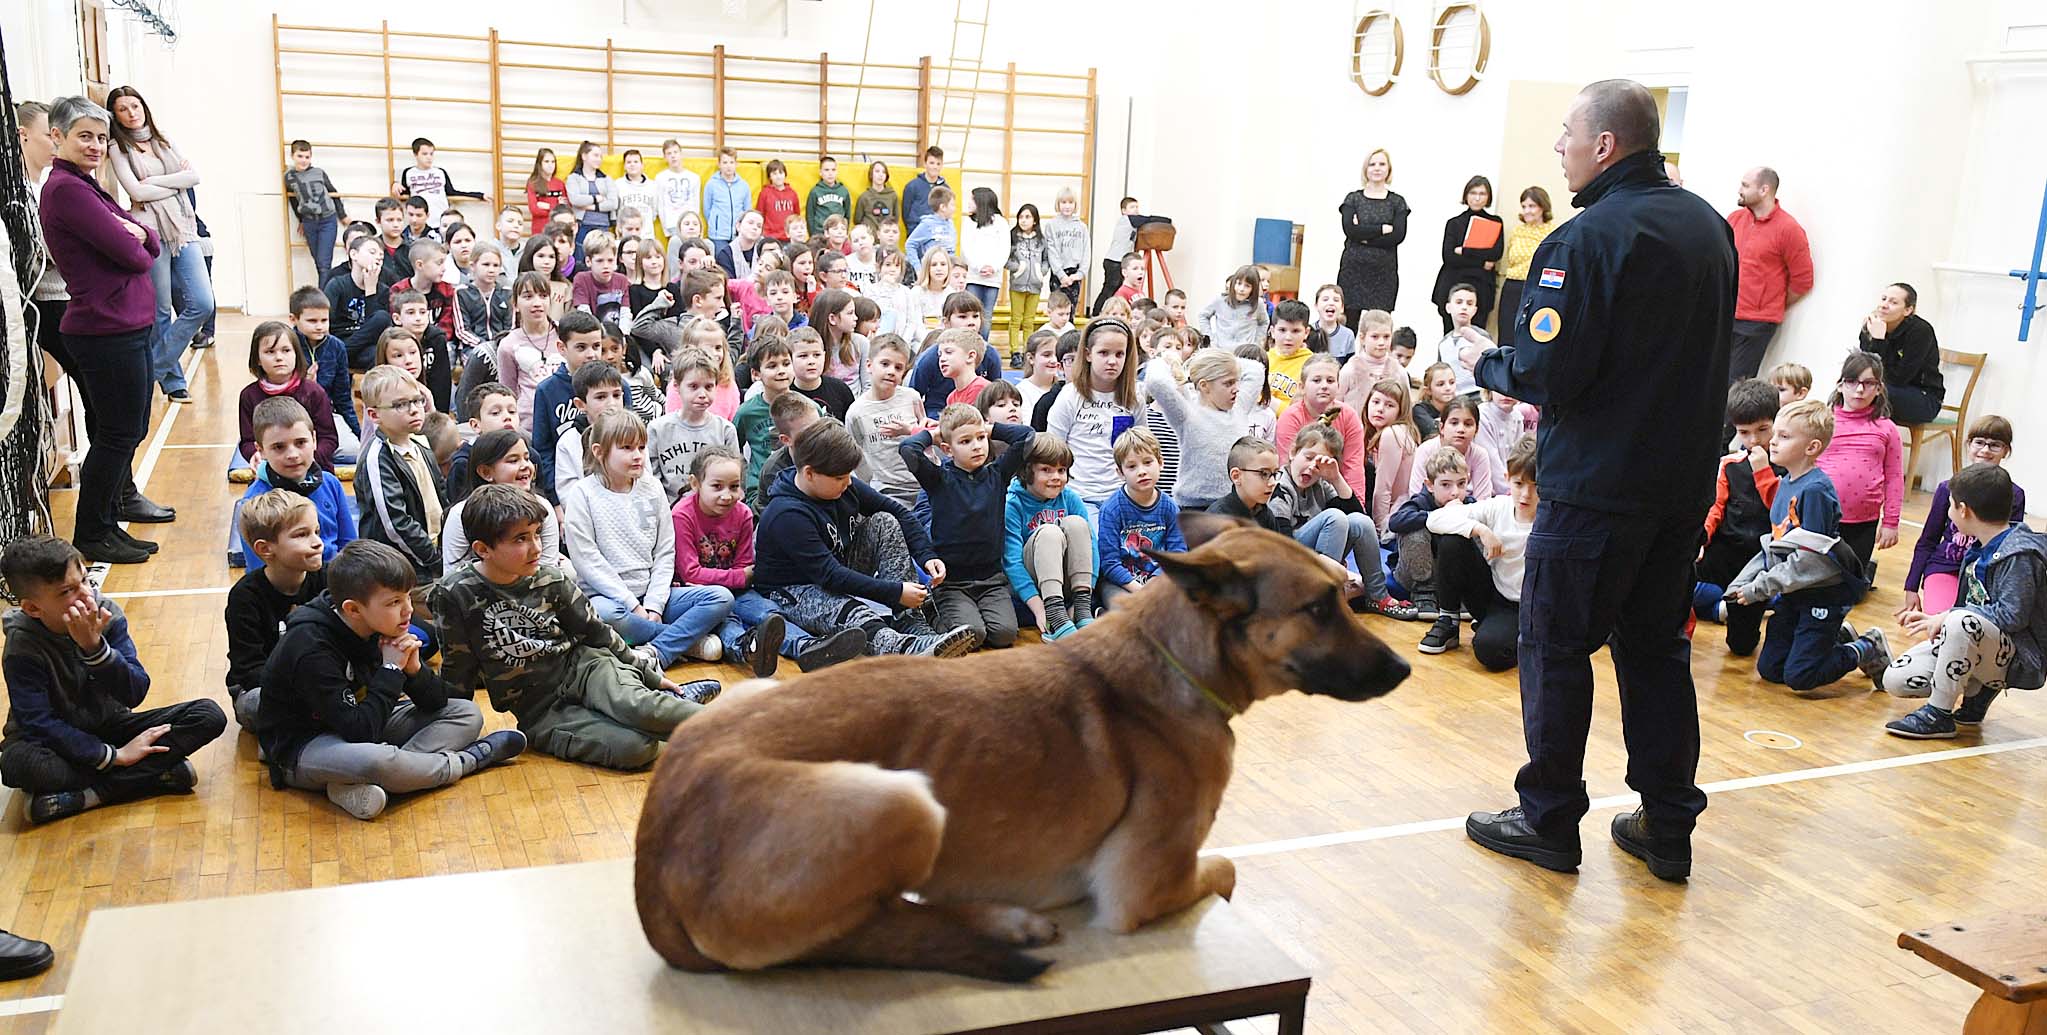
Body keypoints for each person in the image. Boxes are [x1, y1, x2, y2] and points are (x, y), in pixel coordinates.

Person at [1461, 79, 1737, 884]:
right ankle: (1665, 823)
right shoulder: (1708, 226)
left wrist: (1483, 359)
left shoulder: (1580, 241)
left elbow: (1550, 371)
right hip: (1679, 485)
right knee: (1655, 651)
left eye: (1566, 135)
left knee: (1553, 646)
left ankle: (1547, 819)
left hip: (1594, 488)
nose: (1558, 148)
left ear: (1605, 145)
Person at [438, 486, 720, 770]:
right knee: (636, 749)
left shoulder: (551, 579)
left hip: (585, 667)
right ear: (483, 549)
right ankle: (671, 708)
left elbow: (597, 632)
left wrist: (649, 675)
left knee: (636, 706)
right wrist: (451, 729)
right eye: (521, 539)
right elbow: (457, 669)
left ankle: (744, 730)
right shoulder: (455, 593)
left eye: (537, 533)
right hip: (540, 710)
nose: (537, 547)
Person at [258, 539, 521, 821]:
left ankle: (377, 779)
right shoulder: (310, 648)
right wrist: (391, 670)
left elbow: (437, 703)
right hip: (304, 745)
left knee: (466, 712)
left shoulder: (381, 620)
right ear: (353, 609)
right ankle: (467, 761)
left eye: (408, 596)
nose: (408, 610)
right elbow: (360, 733)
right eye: (395, 601)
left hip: (366, 720)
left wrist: (414, 670)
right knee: (376, 759)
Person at [0, 535, 224, 824]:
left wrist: (95, 649)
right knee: (17, 764)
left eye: (85, 580)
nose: (86, 595)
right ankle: (152, 776)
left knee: (208, 715)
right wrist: (114, 756)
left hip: (111, 725)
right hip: (53, 742)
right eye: (68, 590)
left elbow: (135, 692)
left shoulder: (106, 612)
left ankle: (90, 795)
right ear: (32, 608)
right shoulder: (22, 644)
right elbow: (39, 723)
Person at [36, 95, 172, 564]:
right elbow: (135, 251)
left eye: (101, 137)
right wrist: (138, 237)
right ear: (57, 137)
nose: (95, 145)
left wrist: (140, 235)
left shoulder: (85, 185)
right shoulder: (67, 190)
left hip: (122, 325)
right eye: (84, 136)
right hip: (104, 329)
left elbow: (145, 234)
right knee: (118, 433)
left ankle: (109, 519)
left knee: (126, 429)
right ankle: (93, 531)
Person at [752, 421, 976, 658]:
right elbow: (830, 576)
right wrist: (895, 591)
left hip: (836, 569)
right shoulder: (787, 514)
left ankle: (909, 619)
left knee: (884, 521)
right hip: (793, 591)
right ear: (809, 473)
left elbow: (897, 512)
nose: (848, 482)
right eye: (840, 477)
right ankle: (901, 647)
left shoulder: (840, 483)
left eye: (849, 475)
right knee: (853, 612)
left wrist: (926, 555)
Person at [1724, 399, 1888, 694]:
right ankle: (1834, 638)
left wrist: (1758, 588)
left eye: (1784, 437)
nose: (1773, 443)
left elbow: (1811, 562)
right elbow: (1774, 544)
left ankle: (1865, 647)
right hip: (1794, 594)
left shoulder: (1815, 491)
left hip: (1822, 595)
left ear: (1811, 447)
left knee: (1800, 678)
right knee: (1771, 670)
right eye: (1776, 435)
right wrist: (1743, 581)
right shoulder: (1786, 482)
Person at [1879, 463, 2045, 739]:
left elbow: (2013, 616)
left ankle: (1938, 714)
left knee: (1959, 621)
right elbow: (1973, 606)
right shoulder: (1978, 547)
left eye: (1951, 505)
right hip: (1983, 645)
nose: (1949, 511)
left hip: (2017, 659)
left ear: (1964, 510)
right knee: (1896, 679)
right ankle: (1978, 690)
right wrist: (1939, 617)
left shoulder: (2019, 555)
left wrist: (1950, 616)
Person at [563, 410, 734, 668]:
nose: (637, 455)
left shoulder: (652, 487)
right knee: (603, 615)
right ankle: (689, 644)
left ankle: (656, 650)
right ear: (599, 452)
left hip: (655, 597)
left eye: (642, 447)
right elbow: (588, 561)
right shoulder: (582, 494)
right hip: (611, 601)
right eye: (627, 447)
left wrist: (654, 605)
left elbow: (665, 551)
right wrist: (633, 606)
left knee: (721, 598)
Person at [901, 406, 1037, 649]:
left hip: (991, 580)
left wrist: (986, 427)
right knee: (973, 635)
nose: (977, 446)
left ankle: (968, 614)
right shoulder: (939, 479)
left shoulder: (997, 473)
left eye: (981, 438)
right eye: (965, 441)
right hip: (952, 583)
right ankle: (932, 611)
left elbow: (1026, 436)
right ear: (947, 449)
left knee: (1005, 634)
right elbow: (908, 450)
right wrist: (934, 434)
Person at [107, 86, 211, 403]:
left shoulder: (162, 138)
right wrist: (167, 184)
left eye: (135, 105)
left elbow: (192, 177)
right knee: (160, 310)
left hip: (183, 226)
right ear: (115, 115)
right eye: (123, 109)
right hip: (149, 230)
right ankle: (173, 382)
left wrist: (153, 182)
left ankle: (151, 370)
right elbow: (135, 194)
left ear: (144, 107)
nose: (131, 113)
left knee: (202, 304)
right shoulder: (117, 148)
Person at [1419, 437, 1540, 667]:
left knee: (1490, 649)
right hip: (1495, 597)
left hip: (1532, 606)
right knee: (1453, 538)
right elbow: (1435, 519)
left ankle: (1520, 638)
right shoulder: (1499, 506)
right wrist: (1480, 529)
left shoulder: (1551, 518)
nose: (1525, 495)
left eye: (1535, 487)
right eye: (1519, 484)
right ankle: (1449, 619)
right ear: (1507, 479)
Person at [1275, 422, 1411, 619]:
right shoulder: (1281, 484)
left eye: (1320, 463)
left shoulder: (1320, 484)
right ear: (1293, 453)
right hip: (1287, 559)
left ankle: (1377, 596)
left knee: (1360, 522)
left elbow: (1360, 517)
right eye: (1308, 457)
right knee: (1335, 517)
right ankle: (1324, 598)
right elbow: (1281, 542)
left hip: (1318, 561)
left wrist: (1336, 478)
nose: (1312, 467)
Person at [1694, 380, 1785, 656]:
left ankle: (1758, 606)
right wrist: (1701, 538)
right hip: (1724, 552)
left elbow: (1781, 513)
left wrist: (1762, 472)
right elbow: (1714, 508)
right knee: (1674, 575)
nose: (1754, 440)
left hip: (1757, 560)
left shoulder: (1788, 467)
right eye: (1745, 433)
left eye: (1762, 430)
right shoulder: (1729, 465)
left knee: (1741, 646)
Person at [224, 490, 329, 727]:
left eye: (316, 531)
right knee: (256, 704)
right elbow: (248, 669)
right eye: (302, 535)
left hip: (321, 678)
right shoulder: (245, 597)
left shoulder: (328, 581)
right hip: (264, 686)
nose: (317, 542)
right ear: (265, 549)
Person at [1904, 417, 2024, 617]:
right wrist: (1911, 587)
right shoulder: (1947, 488)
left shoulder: (2015, 494)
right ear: (1968, 445)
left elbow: (2013, 545)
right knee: (1942, 622)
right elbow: (1928, 540)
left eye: (1995, 445)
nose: (1985, 450)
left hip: (1986, 574)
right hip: (1946, 567)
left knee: (1974, 625)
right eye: (1979, 442)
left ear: (2006, 451)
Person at [233, 397, 357, 571]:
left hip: (335, 582)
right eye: (279, 447)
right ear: (261, 450)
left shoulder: (330, 483)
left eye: (300, 443)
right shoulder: (253, 506)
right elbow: (259, 572)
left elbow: (349, 546)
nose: (292, 454)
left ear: (314, 439)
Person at [1814, 352, 1903, 580]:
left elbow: (1894, 477)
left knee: (1850, 582)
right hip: (1820, 514)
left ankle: (1864, 575)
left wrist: (1891, 522)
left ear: (1879, 388)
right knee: (1813, 578)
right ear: (1841, 385)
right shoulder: (1823, 421)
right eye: (1852, 382)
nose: (1859, 390)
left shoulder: (1887, 428)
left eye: (1868, 383)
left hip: (1863, 521)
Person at [1143, 347, 1265, 510]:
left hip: (1236, 504)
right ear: (1204, 385)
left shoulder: (1239, 407)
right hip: (1197, 508)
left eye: (1237, 381)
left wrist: (1223, 360)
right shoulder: (1187, 414)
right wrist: (1166, 360)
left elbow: (1257, 370)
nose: (1236, 388)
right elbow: (1156, 383)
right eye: (1228, 383)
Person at [355, 366, 446, 581]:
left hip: (433, 555)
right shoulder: (377, 457)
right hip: (399, 567)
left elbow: (441, 498)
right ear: (374, 414)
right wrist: (434, 560)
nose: (414, 409)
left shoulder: (420, 444)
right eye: (400, 405)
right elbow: (395, 523)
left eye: (417, 400)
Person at [1046, 318, 1145, 513]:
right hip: (1079, 495)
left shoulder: (1134, 398)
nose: (1112, 361)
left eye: (1119, 354)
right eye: (1103, 353)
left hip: (1123, 495)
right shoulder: (1069, 396)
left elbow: (1141, 448)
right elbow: (1053, 449)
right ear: (1088, 354)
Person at [1727, 165, 1815, 383]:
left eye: (1746, 185)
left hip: (1756, 322)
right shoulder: (1735, 219)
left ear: (1764, 190)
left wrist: (1770, 302)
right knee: (1710, 379)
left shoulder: (1788, 228)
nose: (1740, 190)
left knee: (1736, 385)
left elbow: (1802, 280)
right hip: (1726, 311)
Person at [1004, 434, 1097, 639]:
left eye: (1061, 470)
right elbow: (1011, 561)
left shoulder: (1070, 498)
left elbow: (1092, 547)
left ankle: (1082, 610)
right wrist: (1039, 609)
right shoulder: (1013, 503)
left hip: (1067, 582)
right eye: (1046, 470)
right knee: (1050, 532)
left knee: (1077, 523)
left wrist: (1084, 597)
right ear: (1028, 470)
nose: (1056, 476)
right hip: (1035, 584)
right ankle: (1055, 615)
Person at [1094, 428, 1186, 612]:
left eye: (1147, 462)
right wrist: (1139, 590)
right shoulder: (1111, 509)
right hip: (1120, 583)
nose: (1142, 471)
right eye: (1132, 466)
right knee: (1129, 612)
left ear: (1160, 463)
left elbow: (1177, 552)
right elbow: (1109, 562)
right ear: (1120, 473)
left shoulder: (1169, 507)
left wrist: (1154, 584)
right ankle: (1104, 616)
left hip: (1158, 580)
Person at [237, 321, 339, 473]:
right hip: (271, 470)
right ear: (257, 358)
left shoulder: (314, 392)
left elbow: (329, 438)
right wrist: (255, 455)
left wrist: (304, 460)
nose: (279, 357)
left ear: (296, 354)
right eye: (270, 352)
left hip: (314, 470)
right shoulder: (248, 396)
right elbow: (247, 441)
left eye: (286, 350)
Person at [1337, 148, 1410, 322]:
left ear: (1389, 169)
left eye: (1382, 164)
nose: (1377, 168)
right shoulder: (1353, 199)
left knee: (1378, 326)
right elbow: (1350, 230)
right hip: (1353, 270)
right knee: (1349, 324)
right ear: (1365, 169)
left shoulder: (1397, 202)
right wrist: (1381, 229)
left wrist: (1363, 235)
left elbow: (1398, 236)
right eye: (1372, 164)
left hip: (1383, 272)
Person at [289, 287, 361, 463]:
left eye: (324, 320)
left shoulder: (336, 347)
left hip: (326, 415)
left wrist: (359, 435)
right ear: (294, 319)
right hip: (291, 417)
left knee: (355, 453)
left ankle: (314, 454)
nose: (320, 326)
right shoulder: (286, 344)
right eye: (312, 321)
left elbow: (343, 398)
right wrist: (303, 386)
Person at [1857, 282, 1944, 425]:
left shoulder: (1920, 331)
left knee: (1873, 392)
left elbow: (1899, 378)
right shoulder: (1872, 325)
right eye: (1883, 299)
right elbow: (1865, 367)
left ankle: (1870, 441)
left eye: (1893, 302)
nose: (1884, 305)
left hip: (1923, 398)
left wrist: (1879, 340)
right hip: (1884, 389)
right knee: (1849, 387)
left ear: (1908, 310)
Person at [1430, 175, 1504, 334]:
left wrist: (1464, 251)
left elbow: (1496, 252)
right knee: (1450, 335)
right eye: (1473, 193)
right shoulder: (1454, 223)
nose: (1477, 198)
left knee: (1476, 336)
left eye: (1482, 194)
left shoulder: (1495, 222)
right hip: (1453, 282)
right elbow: (1449, 257)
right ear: (1466, 195)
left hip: (1481, 287)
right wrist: (1481, 262)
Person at [283, 139, 346, 283]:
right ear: (292, 156)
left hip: (327, 220)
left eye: (307, 157)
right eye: (300, 156)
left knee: (324, 264)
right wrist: (300, 220)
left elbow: (333, 193)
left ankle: (323, 301)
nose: (304, 160)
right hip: (309, 222)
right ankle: (326, 296)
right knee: (318, 263)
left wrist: (342, 215)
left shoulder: (319, 173)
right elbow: (293, 200)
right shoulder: (289, 177)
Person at [1496, 187, 1557, 333]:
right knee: (1507, 332)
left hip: (1535, 288)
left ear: (1542, 207)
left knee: (1528, 332)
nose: (1527, 211)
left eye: (1531, 206)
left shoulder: (1552, 232)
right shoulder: (1518, 231)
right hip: (1512, 286)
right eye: (1524, 206)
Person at [958, 188, 1009, 342]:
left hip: (993, 277)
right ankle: (968, 345)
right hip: (974, 277)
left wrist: (994, 267)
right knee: (970, 313)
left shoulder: (1000, 222)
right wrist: (978, 267)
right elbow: (966, 249)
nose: (969, 203)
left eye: (972, 199)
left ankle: (982, 348)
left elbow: (1005, 249)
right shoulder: (968, 222)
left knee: (986, 315)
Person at [1195, 265, 1270, 350]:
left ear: (1253, 288)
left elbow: (1264, 322)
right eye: (1239, 283)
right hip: (1221, 352)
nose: (1241, 289)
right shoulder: (1220, 300)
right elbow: (1203, 315)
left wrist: (1256, 344)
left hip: (1245, 354)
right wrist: (1210, 339)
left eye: (1247, 286)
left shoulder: (1258, 303)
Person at [565, 140, 617, 261]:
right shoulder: (573, 178)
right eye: (595, 155)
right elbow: (575, 199)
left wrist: (591, 207)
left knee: (601, 259)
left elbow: (613, 203)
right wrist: (596, 198)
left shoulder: (606, 179)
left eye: (600, 156)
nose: (599, 159)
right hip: (582, 225)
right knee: (581, 259)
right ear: (584, 156)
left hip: (603, 226)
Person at [1043, 185, 1090, 313]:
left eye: (1070, 202)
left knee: (1070, 312)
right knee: (1057, 310)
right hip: (1058, 274)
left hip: (1075, 274)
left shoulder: (1082, 227)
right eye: (1063, 202)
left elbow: (1086, 252)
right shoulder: (1051, 225)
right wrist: (1061, 275)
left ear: (1075, 205)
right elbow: (1051, 251)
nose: (1067, 206)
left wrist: (1079, 274)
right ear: (1058, 204)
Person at [905, 186, 959, 270]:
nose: (954, 209)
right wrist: (918, 268)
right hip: (932, 270)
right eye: (952, 205)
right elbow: (910, 244)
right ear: (943, 207)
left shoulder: (951, 224)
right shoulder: (927, 224)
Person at [901, 145, 949, 230]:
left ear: (942, 165)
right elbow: (906, 213)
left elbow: (947, 213)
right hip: (917, 235)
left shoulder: (945, 189)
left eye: (938, 164)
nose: (935, 167)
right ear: (925, 163)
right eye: (932, 163)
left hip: (938, 236)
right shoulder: (912, 186)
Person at [854, 159, 897, 235]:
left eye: (883, 172)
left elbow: (895, 218)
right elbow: (857, 220)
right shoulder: (864, 197)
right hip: (869, 240)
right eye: (877, 171)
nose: (880, 174)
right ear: (871, 174)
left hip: (886, 239)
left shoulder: (892, 196)